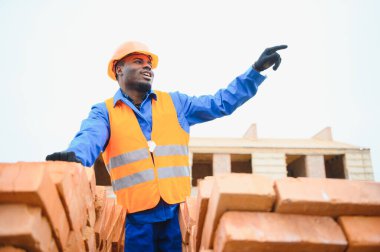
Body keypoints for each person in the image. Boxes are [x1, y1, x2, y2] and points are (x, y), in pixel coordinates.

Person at [46, 41, 287, 252]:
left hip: (173, 214)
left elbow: (220, 102)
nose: (147, 66)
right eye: (138, 61)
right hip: (137, 220)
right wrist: (76, 158)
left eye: (149, 63)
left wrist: (255, 72)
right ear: (119, 69)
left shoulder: (176, 103)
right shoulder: (105, 112)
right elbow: (90, 136)